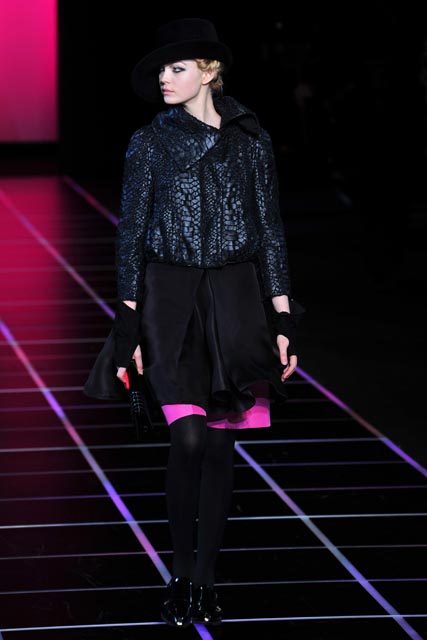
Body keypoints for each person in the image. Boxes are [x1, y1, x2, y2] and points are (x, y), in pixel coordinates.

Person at [113, 17, 301, 628]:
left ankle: (205, 580)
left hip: (235, 296)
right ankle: (180, 570)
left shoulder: (250, 140)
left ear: (210, 71)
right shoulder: (149, 142)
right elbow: (131, 236)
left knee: (220, 444)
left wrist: (283, 319)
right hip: (169, 299)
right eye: (160, 71)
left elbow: (270, 230)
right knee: (189, 437)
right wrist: (127, 325)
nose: (164, 80)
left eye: (177, 68)